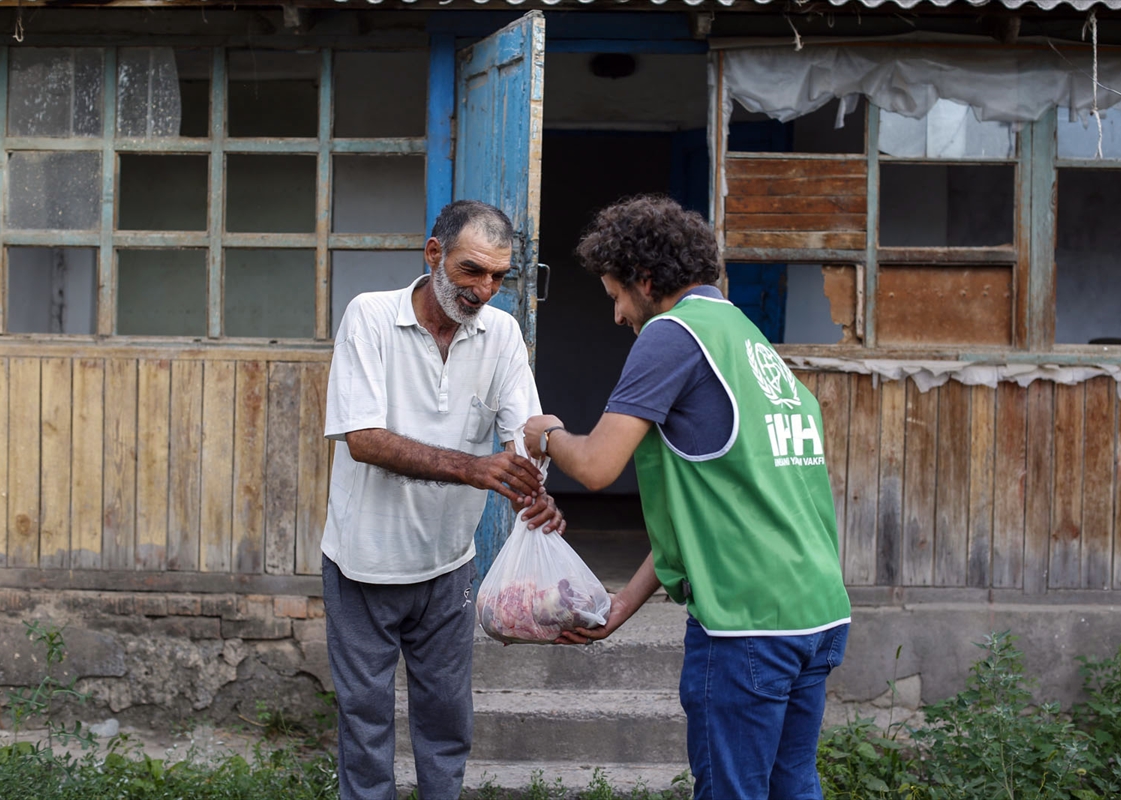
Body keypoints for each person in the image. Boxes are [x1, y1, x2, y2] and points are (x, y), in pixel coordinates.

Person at [523, 195, 851, 800]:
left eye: (617, 296)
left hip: (746, 625)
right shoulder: (744, 336)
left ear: (646, 281)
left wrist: (545, 435)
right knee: (793, 786)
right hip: (816, 612)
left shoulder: (671, 335)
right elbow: (712, 513)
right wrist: (624, 603)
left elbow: (595, 467)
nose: (618, 315)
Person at [322, 199, 564, 800]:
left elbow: (523, 432)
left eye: (498, 277)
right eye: (470, 270)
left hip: (449, 562)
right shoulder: (370, 317)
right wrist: (475, 468)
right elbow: (363, 439)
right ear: (434, 254)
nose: (484, 290)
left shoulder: (501, 333)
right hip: (363, 562)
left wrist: (534, 488)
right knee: (365, 720)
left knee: (447, 719)